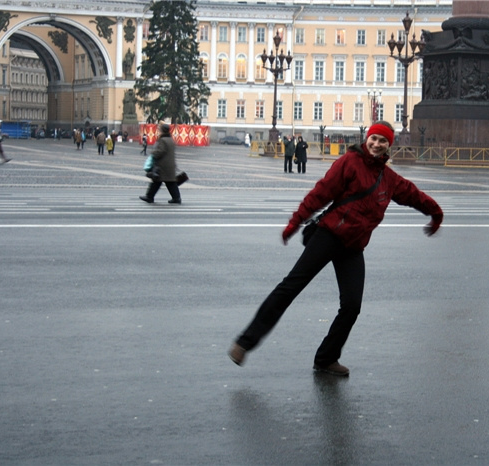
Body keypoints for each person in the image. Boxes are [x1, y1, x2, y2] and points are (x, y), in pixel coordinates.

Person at [228, 121, 444, 376]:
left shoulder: (389, 179)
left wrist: (435, 213)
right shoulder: (350, 162)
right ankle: (244, 343)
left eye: (383, 141)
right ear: (367, 139)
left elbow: (413, 195)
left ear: (389, 146)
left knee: (352, 306)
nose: (377, 144)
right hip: (329, 235)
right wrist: (295, 222)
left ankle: (326, 358)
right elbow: (321, 193)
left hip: (353, 246)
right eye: (374, 139)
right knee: (290, 287)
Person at [140, 123, 181, 205]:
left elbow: (160, 151)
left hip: (163, 165)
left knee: (157, 181)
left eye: (160, 129)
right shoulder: (170, 139)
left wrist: (153, 153)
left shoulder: (163, 140)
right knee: (169, 182)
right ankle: (176, 198)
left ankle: (149, 197)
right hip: (169, 165)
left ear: (162, 131)